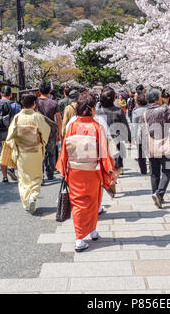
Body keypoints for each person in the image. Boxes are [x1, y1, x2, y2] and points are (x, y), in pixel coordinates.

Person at [56, 91, 118, 252]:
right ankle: (79, 238)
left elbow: (64, 148)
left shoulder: (72, 124)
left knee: (80, 202)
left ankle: (92, 230)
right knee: (91, 202)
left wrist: (63, 167)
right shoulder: (97, 126)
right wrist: (109, 170)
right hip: (93, 171)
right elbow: (104, 151)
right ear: (91, 108)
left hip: (75, 170)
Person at [5, 94, 50, 214]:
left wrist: (16, 147)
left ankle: (26, 202)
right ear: (34, 103)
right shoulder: (37, 117)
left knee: (24, 178)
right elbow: (45, 132)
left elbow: (10, 137)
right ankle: (33, 196)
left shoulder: (17, 117)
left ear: (21, 104)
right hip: (35, 151)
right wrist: (42, 143)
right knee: (36, 177)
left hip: (22, 152)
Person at [95, 86, 132, 178]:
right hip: (117, 139)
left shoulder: (98, 112)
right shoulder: (118, 111)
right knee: (118, 159)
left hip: (103, 139)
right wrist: (129, 137)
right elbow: (125, 124)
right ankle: (115, 177)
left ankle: (109, 177)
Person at [35, 82, 62, 181]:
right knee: (51, 153)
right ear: (49, 91)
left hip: (39, 130)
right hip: (51, 130)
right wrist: (59, 133)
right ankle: (50, 174)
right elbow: (58, 119)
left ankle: (40, 175)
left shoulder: (36, 102)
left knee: (40, 153)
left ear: (39, 91)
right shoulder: (53, 103)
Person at [131, 93, 149, 174]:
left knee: (141, 154)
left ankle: (143, 170)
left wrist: (132, 137)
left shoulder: (136, 112)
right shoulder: (150, 110)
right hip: (151, 133)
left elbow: (134, 125)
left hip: (140, 134)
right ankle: (153, 168)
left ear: (138, 103)